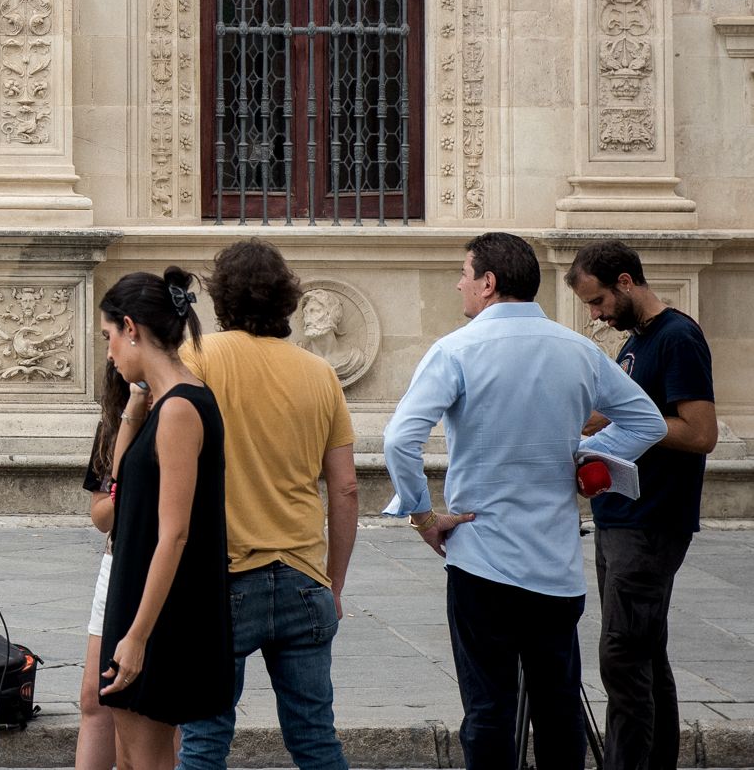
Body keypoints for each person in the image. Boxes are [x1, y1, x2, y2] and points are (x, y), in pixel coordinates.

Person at [383, 232, 665, 770]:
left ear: (488, 283)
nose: (459, 284)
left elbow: (400, 440)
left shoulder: (455, 349)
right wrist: (584, 454)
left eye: (465, 274)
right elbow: (647, 421)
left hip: (482, 556)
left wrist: (421, 515)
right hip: (554, 564)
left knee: (488, 708)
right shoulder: (578, 349)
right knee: (558, 706)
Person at [178, 240, 360, 770]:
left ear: (220, 297)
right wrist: (335, 582)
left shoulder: (199, 358)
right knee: (316, 741)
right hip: (304, 575)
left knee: (204, 742)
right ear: (287, 300)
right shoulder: (319, 372)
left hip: (224, 577)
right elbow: (345, 488)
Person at [565, 241, 718, 770]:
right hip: (622, 514)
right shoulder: (637, 343)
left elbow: (700, 433)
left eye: (599, 300)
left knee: (622, 654)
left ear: (627, 282)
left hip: (652, 519)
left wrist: (614, 423)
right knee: (645, 652)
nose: (596, 315)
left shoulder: (678, 337)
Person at [96, 267, 230, 770]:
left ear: (132, 328)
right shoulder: (163, 404)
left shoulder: (180, 409)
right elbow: (119, 488)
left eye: (109, 337)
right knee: (129, 757)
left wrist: (137, 636)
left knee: (145, 759)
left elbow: (174, 534)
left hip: (158, 612)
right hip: (136, 595)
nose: (109, 353)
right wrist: (133, 406)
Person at [75, 364, 132, 770]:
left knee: (156, 710)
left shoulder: (182, 411)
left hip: (164, 567)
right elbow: (100, 516)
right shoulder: (111, 426)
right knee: (94, 697)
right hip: (117, 563)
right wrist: (121, 491)